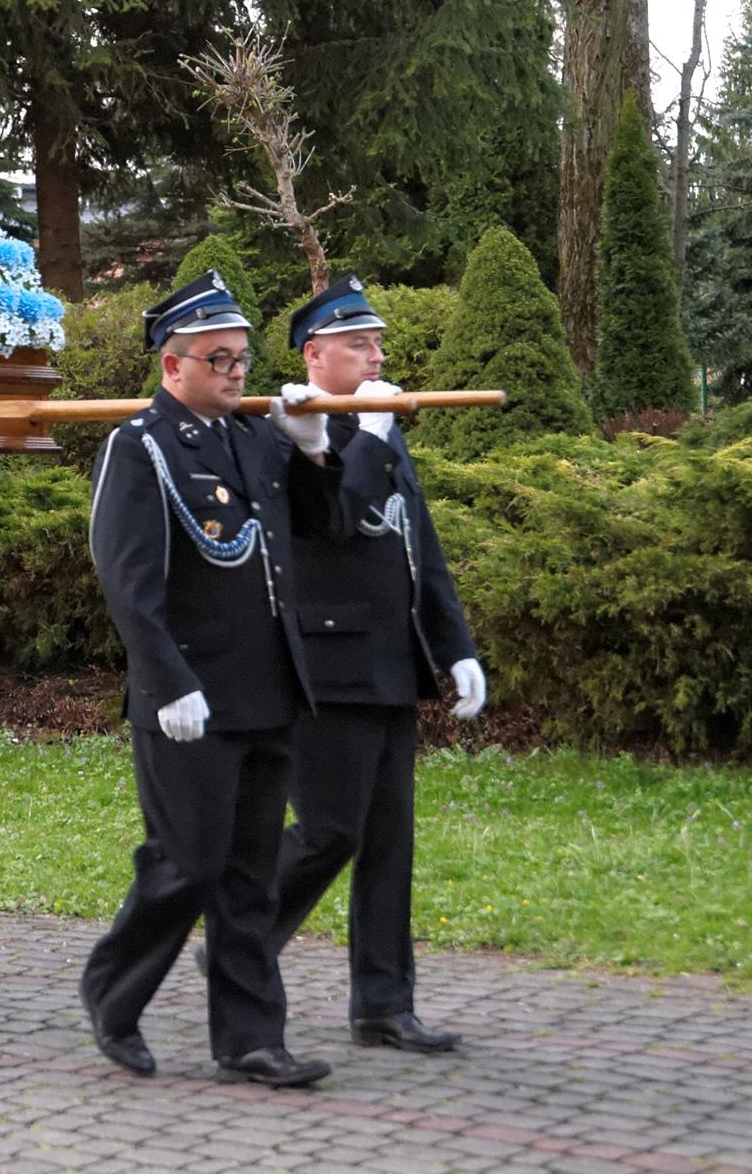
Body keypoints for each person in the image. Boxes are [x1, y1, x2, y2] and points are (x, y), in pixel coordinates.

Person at [78, 270, 344, 1089]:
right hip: (189, 698)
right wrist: (166, 682)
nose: (235, 372)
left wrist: (313, 451)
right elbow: (128, 579)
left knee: (250, 877)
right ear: (173, 365)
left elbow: (320, 531)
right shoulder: (142, 446)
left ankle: (251, 1039)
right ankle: (112, 992)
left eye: (241, 358)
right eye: (218, 359)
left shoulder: (255, 437)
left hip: (268, 687)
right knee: (187, 862)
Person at [269, 275, 486, 1054]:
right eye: (359, 344)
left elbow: (416, 544)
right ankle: (241, 936)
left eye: (378, 344)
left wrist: (455, 647)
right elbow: (337, 521)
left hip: (392, 662)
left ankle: (384, 1005)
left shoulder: (377, 424)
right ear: (314, 354)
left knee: (390, 841)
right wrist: (366, 434)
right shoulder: (290, 429)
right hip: (327, 668)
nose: (377, 356)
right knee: (329, 832)